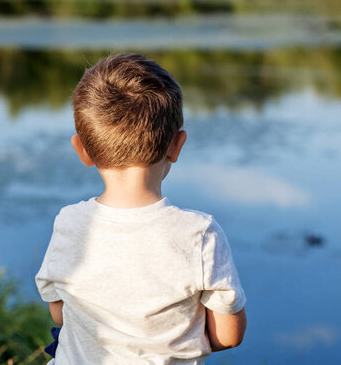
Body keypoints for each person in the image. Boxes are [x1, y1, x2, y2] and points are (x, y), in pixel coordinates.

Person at [35, 53, 247, 364]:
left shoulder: (69, 222)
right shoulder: (199, 234)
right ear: (176, 145)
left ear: (82, 150)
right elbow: (229, 336)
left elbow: (60, 313)